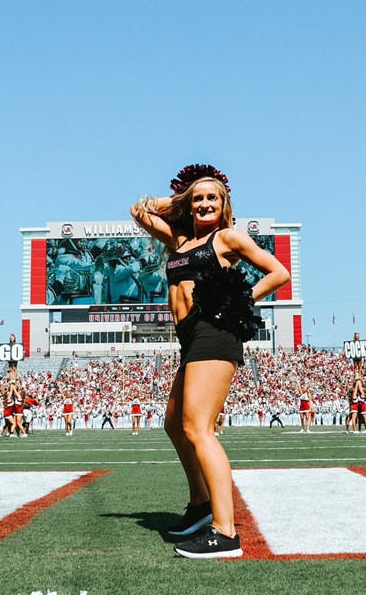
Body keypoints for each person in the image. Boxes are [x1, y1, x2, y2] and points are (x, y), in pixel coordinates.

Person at [131, 164, 289, 558]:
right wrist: (183, 197)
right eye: (198, 198)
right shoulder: (180, 239)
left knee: (199, 429)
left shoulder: (227, 237)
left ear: (224, 205)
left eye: (212, 198)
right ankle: (201, 504)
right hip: (190, 338)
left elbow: (279, 272)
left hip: (214, 333)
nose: (204, 204)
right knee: (174, 424)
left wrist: (242, 299)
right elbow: (139, 212)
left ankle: (226, 531)